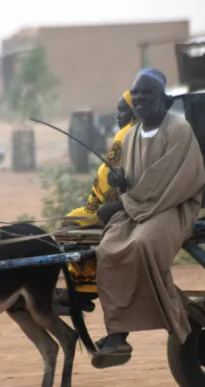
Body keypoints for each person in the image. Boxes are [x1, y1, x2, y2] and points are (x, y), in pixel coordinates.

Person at [91, 68, 205, 369]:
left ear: (164, 100)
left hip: (172, 206)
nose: (140, 98)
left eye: (148, 93)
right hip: (136, 207)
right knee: (107, 250)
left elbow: (165, 182)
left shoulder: (178, 130)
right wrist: (122, 184)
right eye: (136, 93)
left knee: (143, 245)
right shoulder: (130, 136)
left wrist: (119, 206)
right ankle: (117, 335)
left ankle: (177, 320)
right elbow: (138, 182)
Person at [55, 91, 137, 312]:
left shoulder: (126, 135)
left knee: (69, 226)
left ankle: (85, 287)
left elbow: (117, 173)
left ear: (133, 111)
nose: (118, 115)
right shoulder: (133, 132)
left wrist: (109, 205)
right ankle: (84, 285)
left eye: (123, 110)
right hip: (110, 204)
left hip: (112, 207)